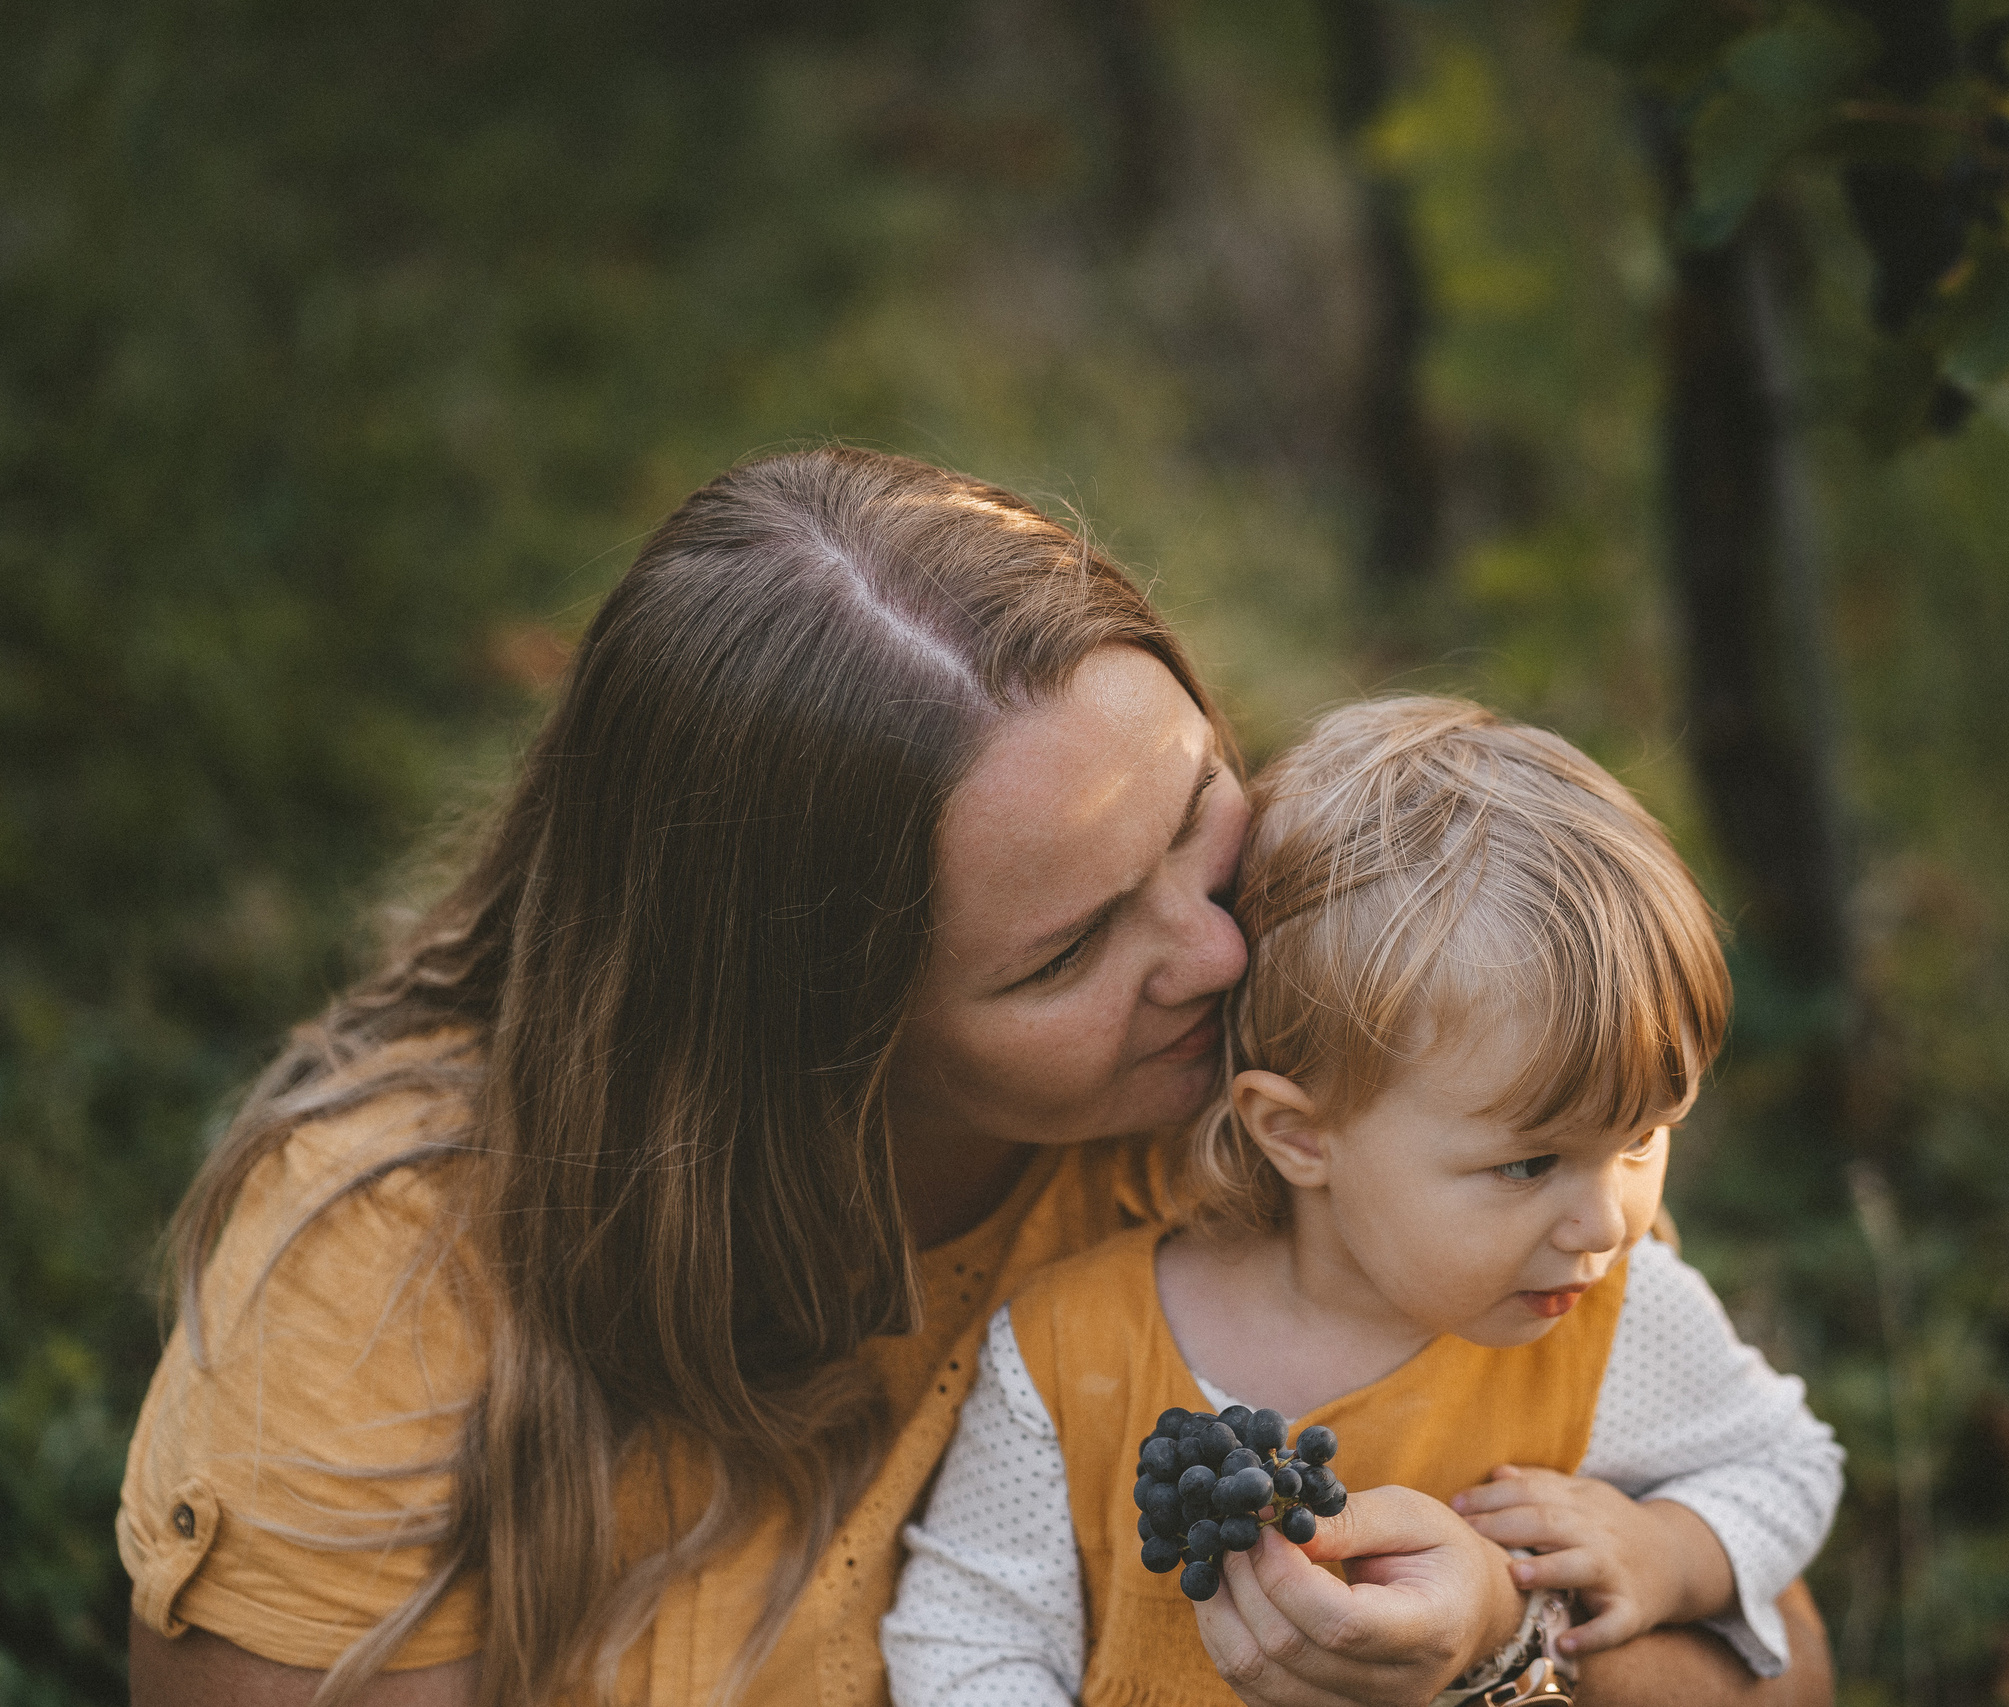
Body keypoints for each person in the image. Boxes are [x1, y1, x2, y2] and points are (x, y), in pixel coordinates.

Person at [119, 446, 1833, 1707]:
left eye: (1198, 813)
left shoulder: (1312, 1108)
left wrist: (1512, 1646)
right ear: (809, 1036)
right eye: (1065, 951)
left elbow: (1774, 1656)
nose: (1217, 955)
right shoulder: (394, 1273)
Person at [882, 697, 1842, 1706]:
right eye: (1529, 1164)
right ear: (1299, 1135)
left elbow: (1785, 1464)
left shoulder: (1615, 1320)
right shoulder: (1068, 1352)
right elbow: (969, 1632)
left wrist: (1666, 1550)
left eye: (1643, 1137)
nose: (1607, 1223)